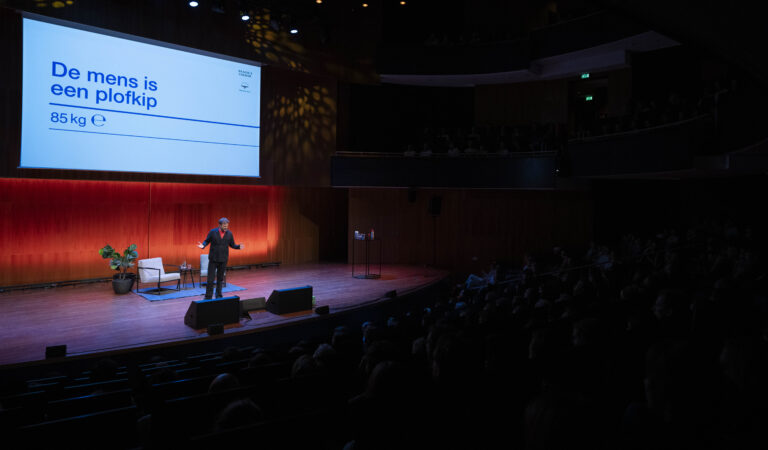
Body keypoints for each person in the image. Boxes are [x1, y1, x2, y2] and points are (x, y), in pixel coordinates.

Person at [197, 218, 243, 299]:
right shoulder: (213, 232)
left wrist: (238, 247)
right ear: (220, 225)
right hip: (213, 259)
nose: (226, 227)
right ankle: (208, 296)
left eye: (227, 225)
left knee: (220, 279)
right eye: (224, 225)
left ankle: (218, 295)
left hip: (223, 259)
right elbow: (206, 241)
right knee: (210, 280)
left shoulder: (229, 234)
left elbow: (232, 245)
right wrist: (203, 245)